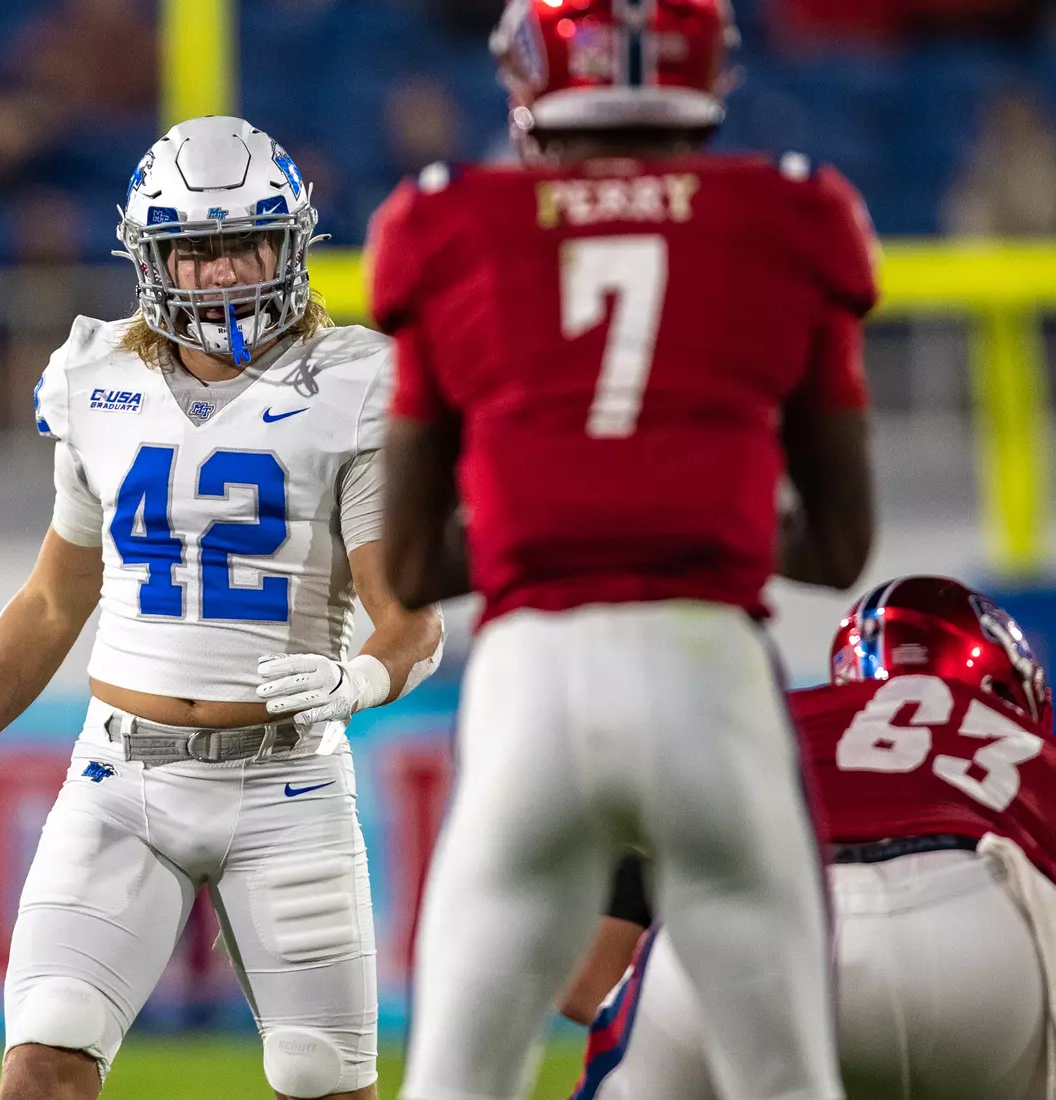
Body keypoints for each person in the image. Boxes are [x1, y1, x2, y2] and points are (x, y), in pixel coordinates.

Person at [370, 1, 880, 1097]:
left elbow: (409, 565)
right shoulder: (797, 209)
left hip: (533, 682)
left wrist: (557, 520)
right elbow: (841, 544)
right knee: (787, 1080)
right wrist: (684, 515)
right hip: (711, 675)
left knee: (455, 1079)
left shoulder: (444, 219)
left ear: (532, 84)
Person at [0, 115, 445, 1100]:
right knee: (42, 1061)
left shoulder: (352, 384)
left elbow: (412, 618)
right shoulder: (97, 378)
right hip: (119, 775)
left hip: (289, 780)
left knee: (322, 1080)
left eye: (243, 243)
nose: (220, 272)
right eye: (194, 249)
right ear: (151, 259)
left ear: (290, 244)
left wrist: (358, 678)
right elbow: (53, 598)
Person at [571, 576, 1055, 1100]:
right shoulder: (1026, 747)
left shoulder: (780, 720)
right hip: (978, 944)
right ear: (1006, 687)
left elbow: (585, 976)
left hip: (769, 937)